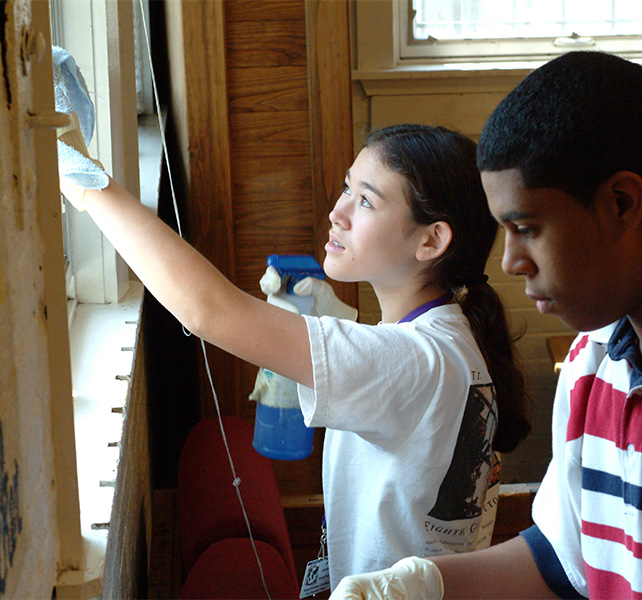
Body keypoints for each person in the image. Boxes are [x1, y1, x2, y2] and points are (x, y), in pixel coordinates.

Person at [332, 50, 642, 599]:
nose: (511, 261)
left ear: (622, 203)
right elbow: (562, 563)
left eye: (527, 227)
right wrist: (423, 585)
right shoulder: (595, 356)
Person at [52, 48, 531, 589]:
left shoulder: (411, 362)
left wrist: (85, 181)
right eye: (347, 187)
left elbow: (208, 309)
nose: (338, 211)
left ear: (431, 240)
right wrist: (334, 319)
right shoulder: (441, 341)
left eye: (366, 202)